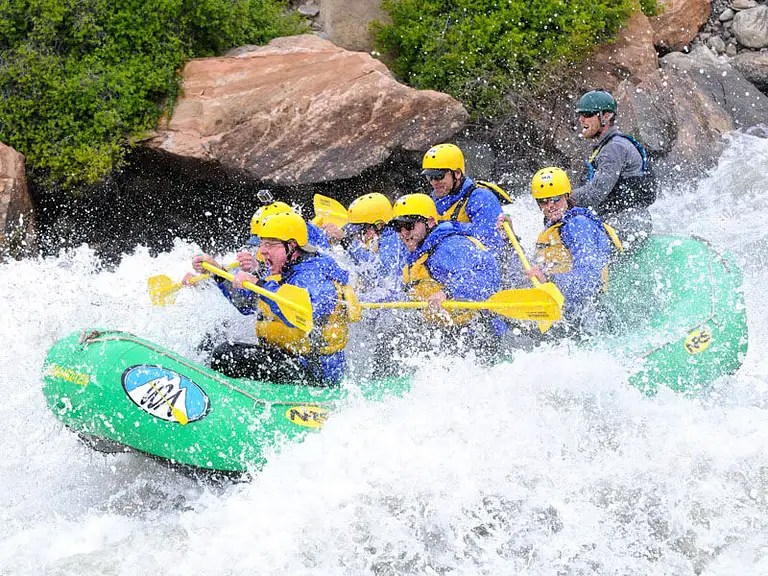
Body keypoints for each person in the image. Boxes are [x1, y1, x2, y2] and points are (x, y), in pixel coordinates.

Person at [207, 210, 353, 386]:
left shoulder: (314, 273)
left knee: (225, 356)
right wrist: (219, 273)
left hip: (314, 372)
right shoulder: (284, 269)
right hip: (290, 357)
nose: (262, 251)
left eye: (270, 245)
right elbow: (246, 304)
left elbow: (308, 313)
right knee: (216, 345)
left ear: (291, 246)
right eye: (262, 244)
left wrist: (259, 284)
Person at [390, 192, 506, 359]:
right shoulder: (420, 250)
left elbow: (486, 275)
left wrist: (447, 292)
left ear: (430, 222)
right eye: (398, 228)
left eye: (409, 226)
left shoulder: (448, 247)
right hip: (447, 329)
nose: (404, 233)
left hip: (476, 330)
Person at [504, 167, 622, 331]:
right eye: (543, 201)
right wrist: (510, 238)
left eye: (555, 198)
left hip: (589, 318)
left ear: (567, 196)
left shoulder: (578, 225)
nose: (550, 205)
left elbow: (589, 278)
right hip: (564, 313)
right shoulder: (553, 229)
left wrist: (550, 280)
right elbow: (528, 270)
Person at [571, 89, 657, 249]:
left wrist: (564, 198)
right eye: (580, 114)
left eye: (588, 114)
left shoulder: (614, 148)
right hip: (622, 219)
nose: (581, 119)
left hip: (628, 224)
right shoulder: (605, 147)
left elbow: (595, 193)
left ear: (606, 116)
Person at [421, 143, 513, 265]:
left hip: (484, 267)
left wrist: (450, 228)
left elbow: (491, 241)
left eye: (438, 176)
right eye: (429, 177)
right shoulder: (433, 201)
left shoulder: (481, 197)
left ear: (457, 173)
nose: (433, 182)